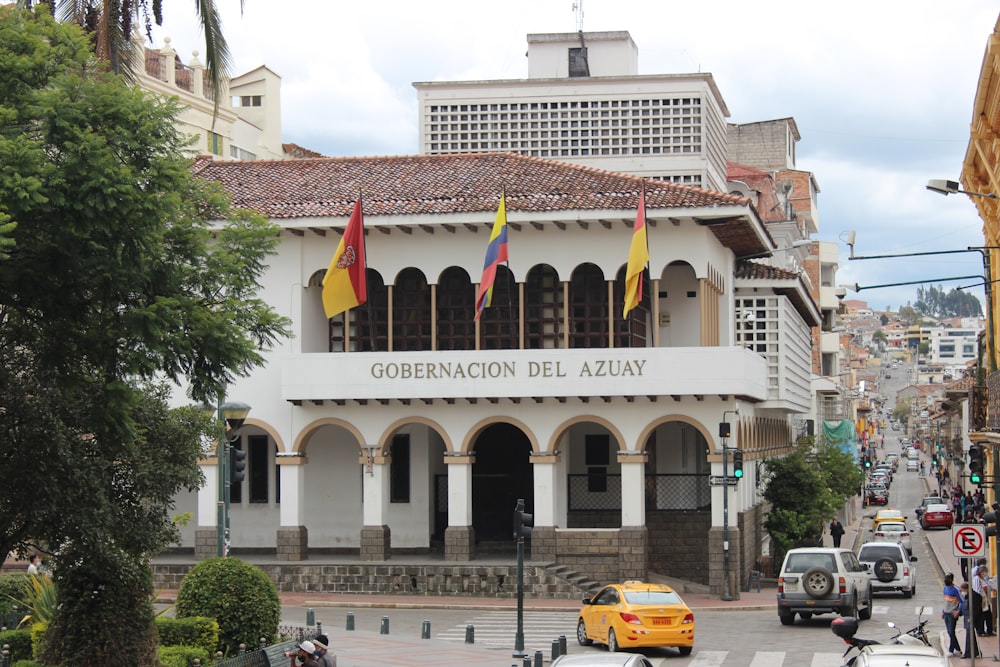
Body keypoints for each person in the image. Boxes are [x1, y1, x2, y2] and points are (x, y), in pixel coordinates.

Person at [943, 572, 963, 656]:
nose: (946, 580)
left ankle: (951, 650)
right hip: (946, 613)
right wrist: (943, 611)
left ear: (951, 580)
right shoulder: (945, 588)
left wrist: (958, 611)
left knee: (951, 631)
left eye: (948, 579)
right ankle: (958, 649)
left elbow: (962, 601)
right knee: (949, 632)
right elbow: (946, 601)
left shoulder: (956, 589)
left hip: (952, 614)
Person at [962, 581, 982, 659]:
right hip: (968, 618)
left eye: (963, 590)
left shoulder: (974, 596)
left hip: (971, 619)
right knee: (970, 636)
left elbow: (976, 609)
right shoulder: (968, 596)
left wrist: (973, 618)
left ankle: (968, 653)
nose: (962, 592)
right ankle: (974, 651)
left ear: (966, 589)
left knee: (970, 636)